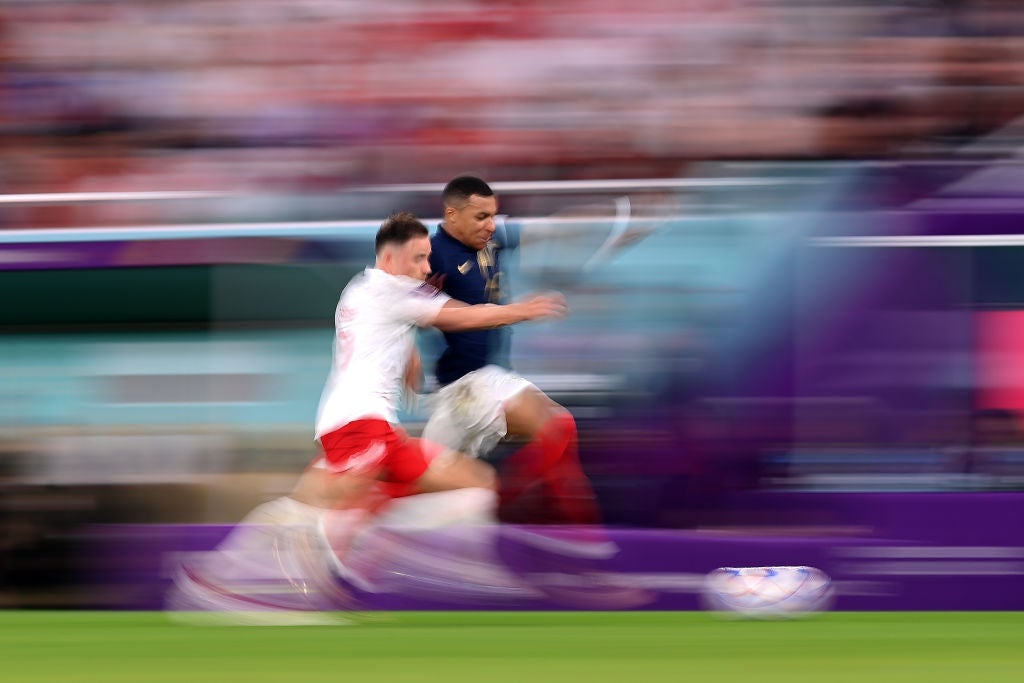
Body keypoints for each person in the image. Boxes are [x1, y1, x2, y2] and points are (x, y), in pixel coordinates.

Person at [166, 211, 570, 620]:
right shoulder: (394, 293)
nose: (427, 267)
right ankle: (229, 577)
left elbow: (386, 327)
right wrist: (525, 310)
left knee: (476, 482)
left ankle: (362, 556)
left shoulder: (361, 288)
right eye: (418, 258)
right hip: (359, 425)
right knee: (314, 507)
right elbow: (464, 316)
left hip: (372, 428)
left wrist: (407, 352)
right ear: (391, 260)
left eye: (428, 257)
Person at [422, 175, 601, 525]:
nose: (491, 225)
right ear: (452, 215)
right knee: (559, 429)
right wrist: (520, 311)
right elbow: (441, 314)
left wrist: (615, 217)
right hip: (467, 385)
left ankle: (547, 537)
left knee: (439, 489)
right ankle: (551, 533)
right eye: (481, 217)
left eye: (493, 216)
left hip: (478, 389)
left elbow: (550, 229)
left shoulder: (491, 238)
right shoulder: (433, 255)